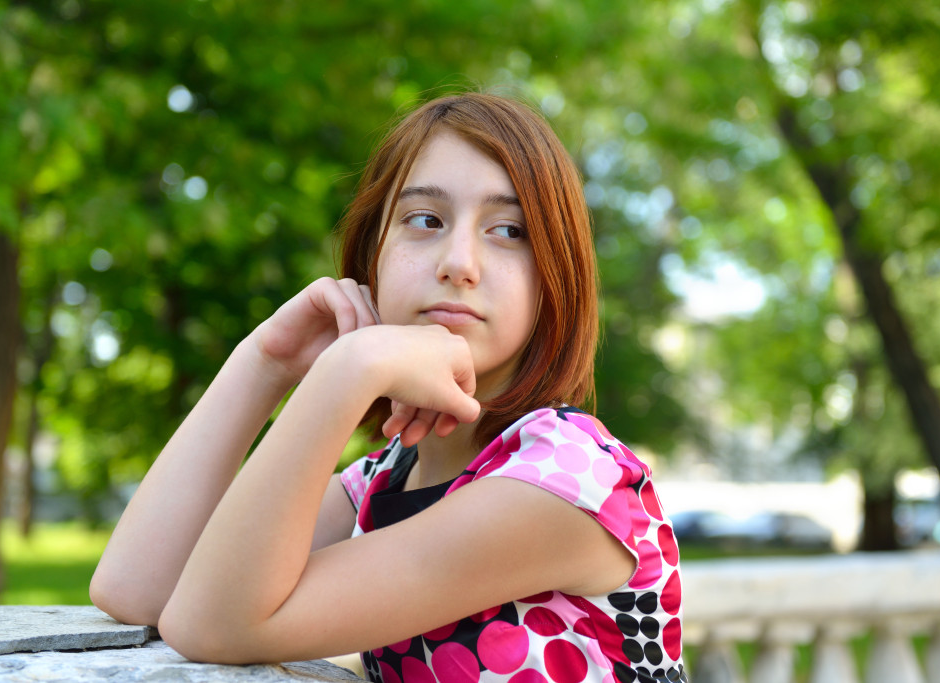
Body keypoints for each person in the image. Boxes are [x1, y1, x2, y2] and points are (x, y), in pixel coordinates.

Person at [90, 92, 686, 683]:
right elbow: (137, 587)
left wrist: (348, 369)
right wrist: (266, 360)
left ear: (555, 278)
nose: (459, 262)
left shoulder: (569, 478)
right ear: (371, 254)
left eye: (508, 231)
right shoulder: (384, 479)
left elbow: (213, 626)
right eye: (425, 221)